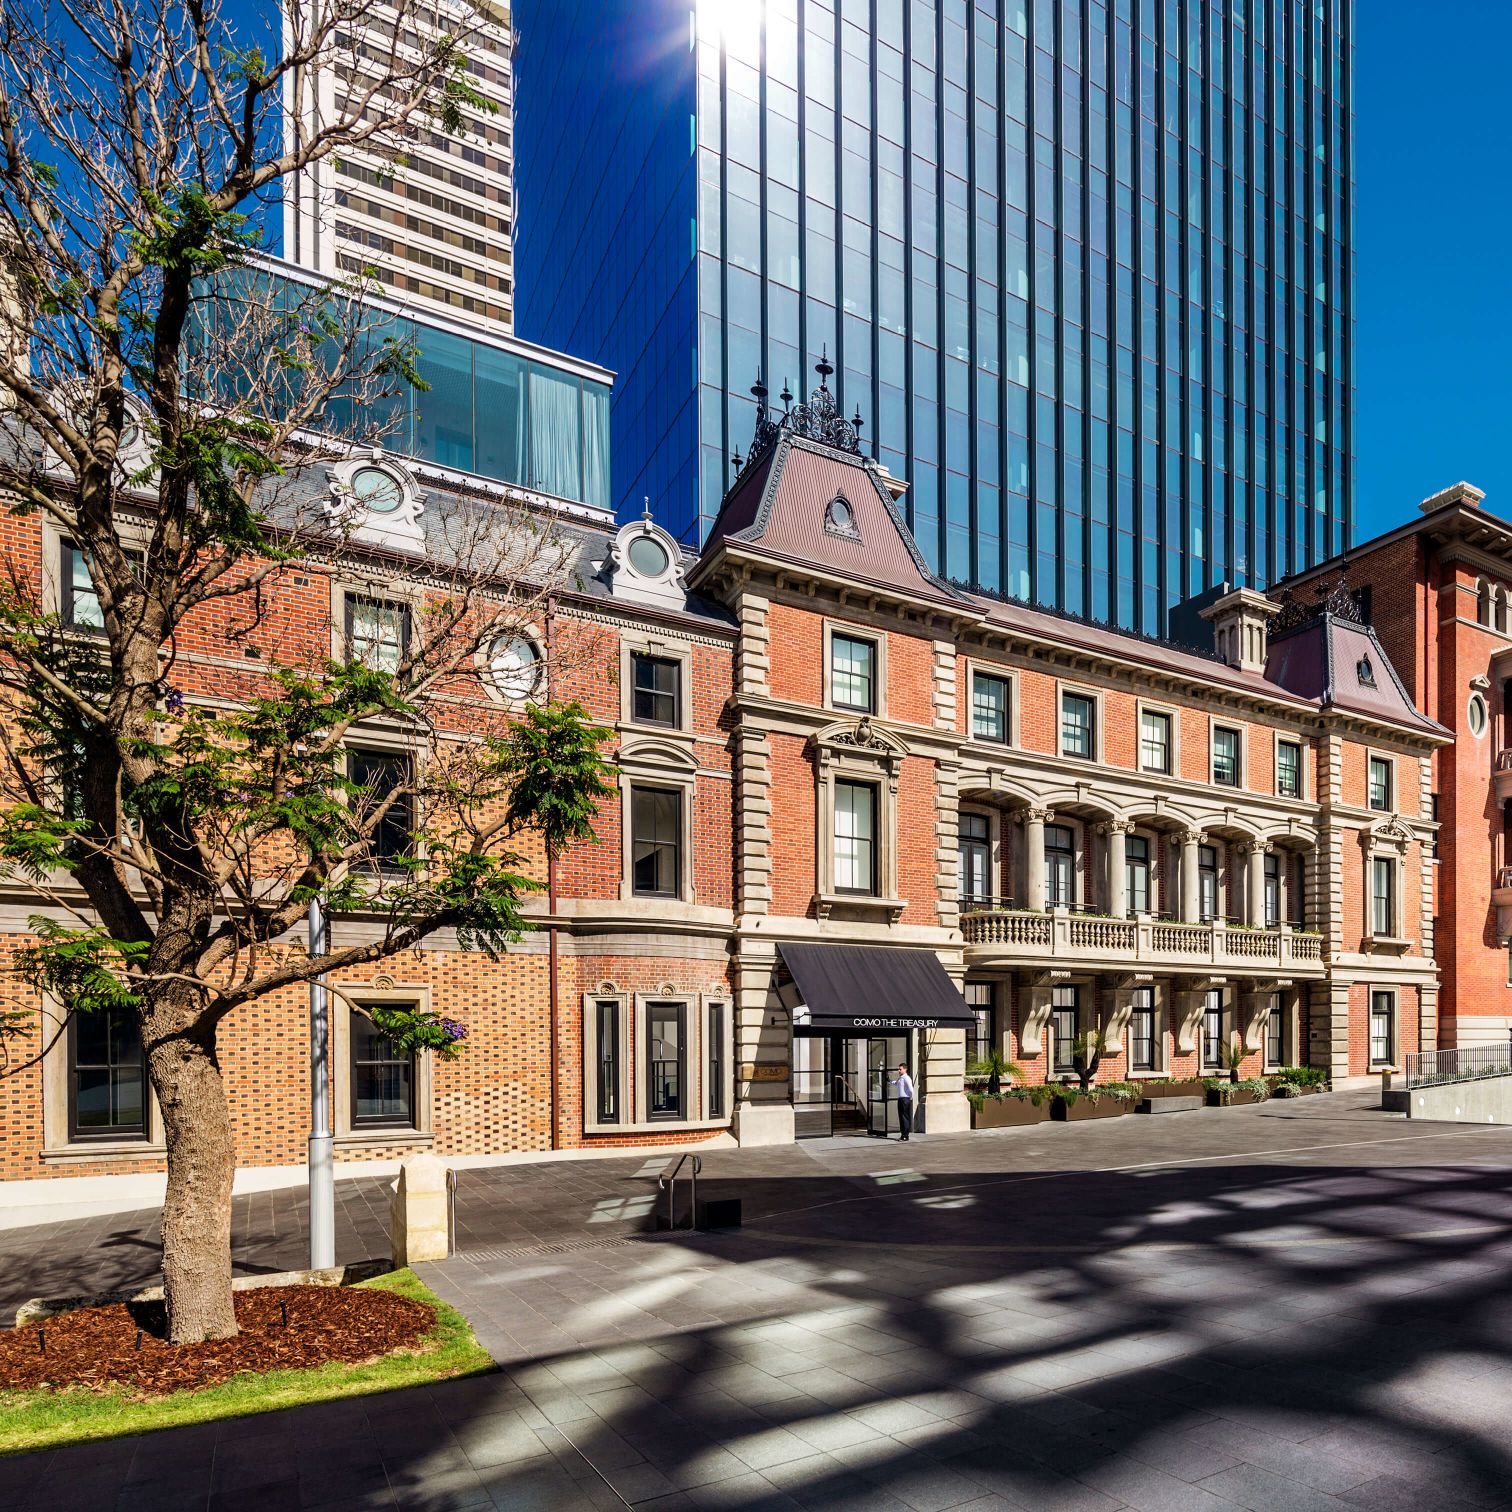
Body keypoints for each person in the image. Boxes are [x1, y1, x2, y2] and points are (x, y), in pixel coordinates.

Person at [895, 1062, 915, 1141]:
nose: (899, 1071)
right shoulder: (900, 1078)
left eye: (900, 1069)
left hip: (905, 1099)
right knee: (901, 1117)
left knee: (905, 1118)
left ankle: (905, 1135)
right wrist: (889, 1081)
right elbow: (896, 1083)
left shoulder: (907, 1078)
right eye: (898, 1069)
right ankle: (902, 1134)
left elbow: (911, 1090)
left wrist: (910, 1098)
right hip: (900, 1099)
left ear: (905, 1069)